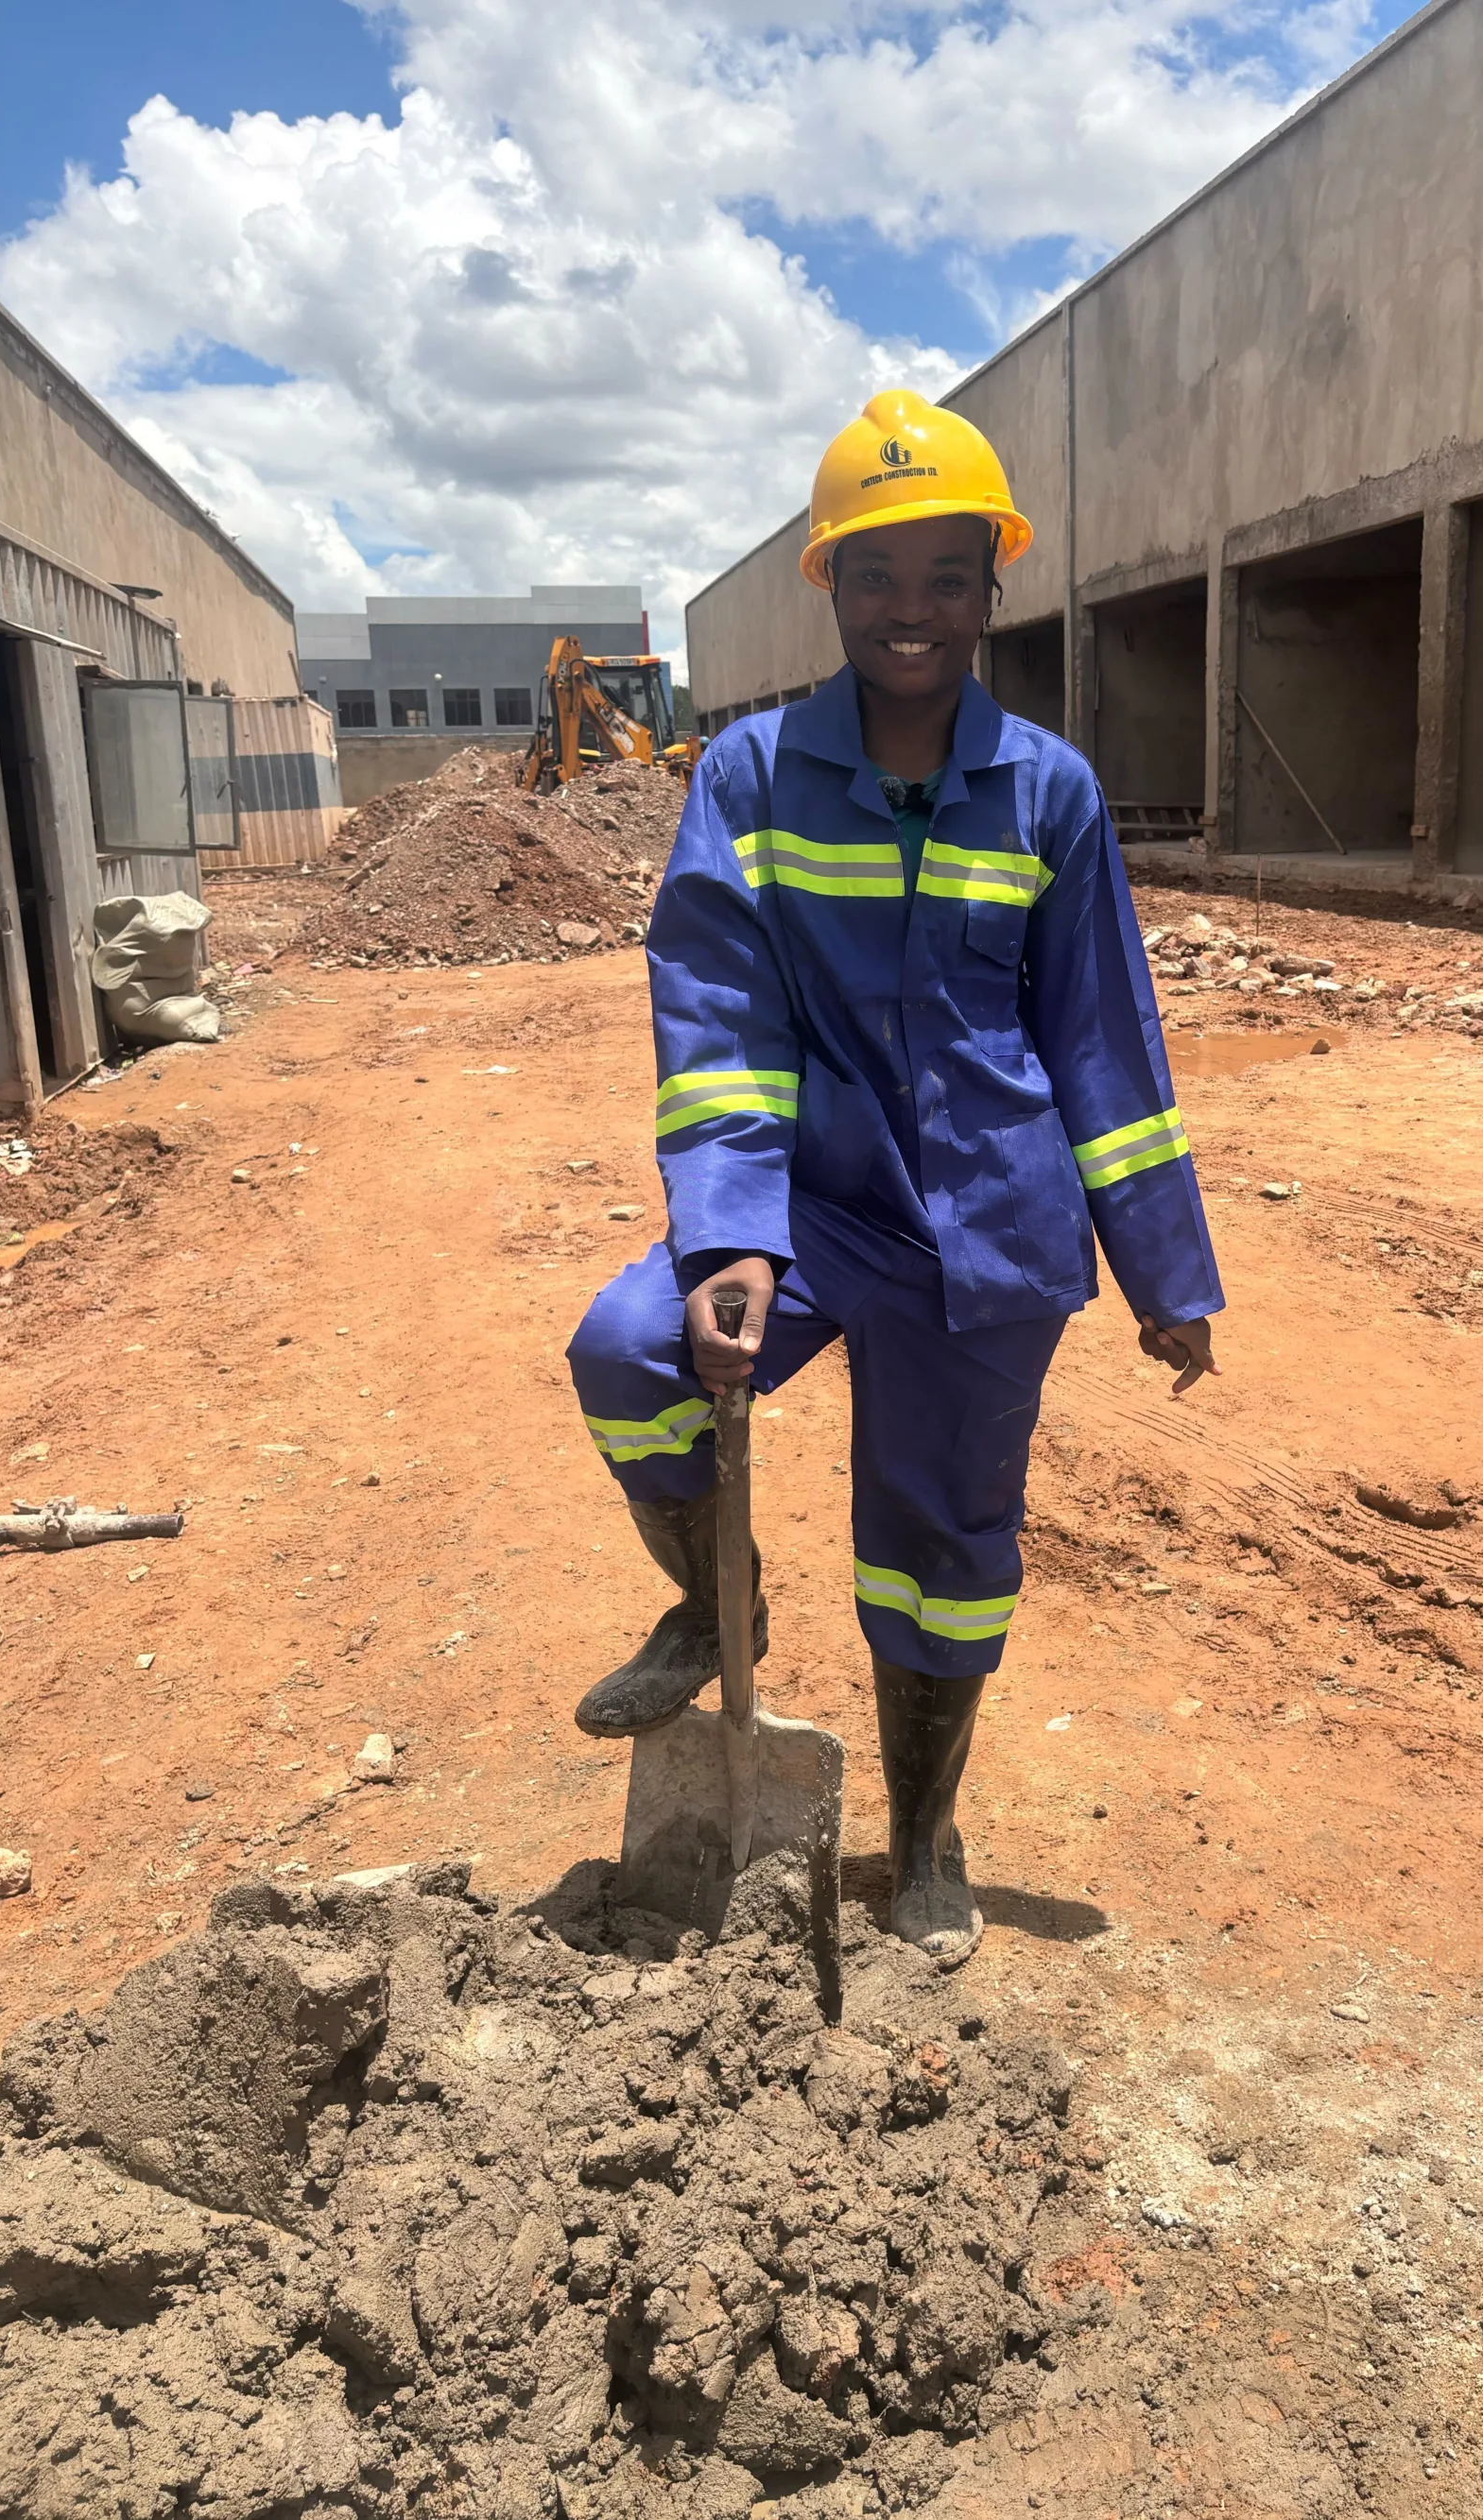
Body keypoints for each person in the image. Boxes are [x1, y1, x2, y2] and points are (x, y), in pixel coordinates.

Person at [566, 388, 1223, 1970]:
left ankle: (925, 1827)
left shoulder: (1049, 792)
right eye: (876, 576)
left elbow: (1104, 1046)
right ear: (832, 589)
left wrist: (1169, 1274)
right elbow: (717, 1013)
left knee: (940, 1549)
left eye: (944, 576)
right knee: (628, 1354)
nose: (909, 611)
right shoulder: (750, 777)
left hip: (991, 1237)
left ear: (993, 590)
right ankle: (718, 1607)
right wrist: (729, 1231)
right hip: (809, 1211)